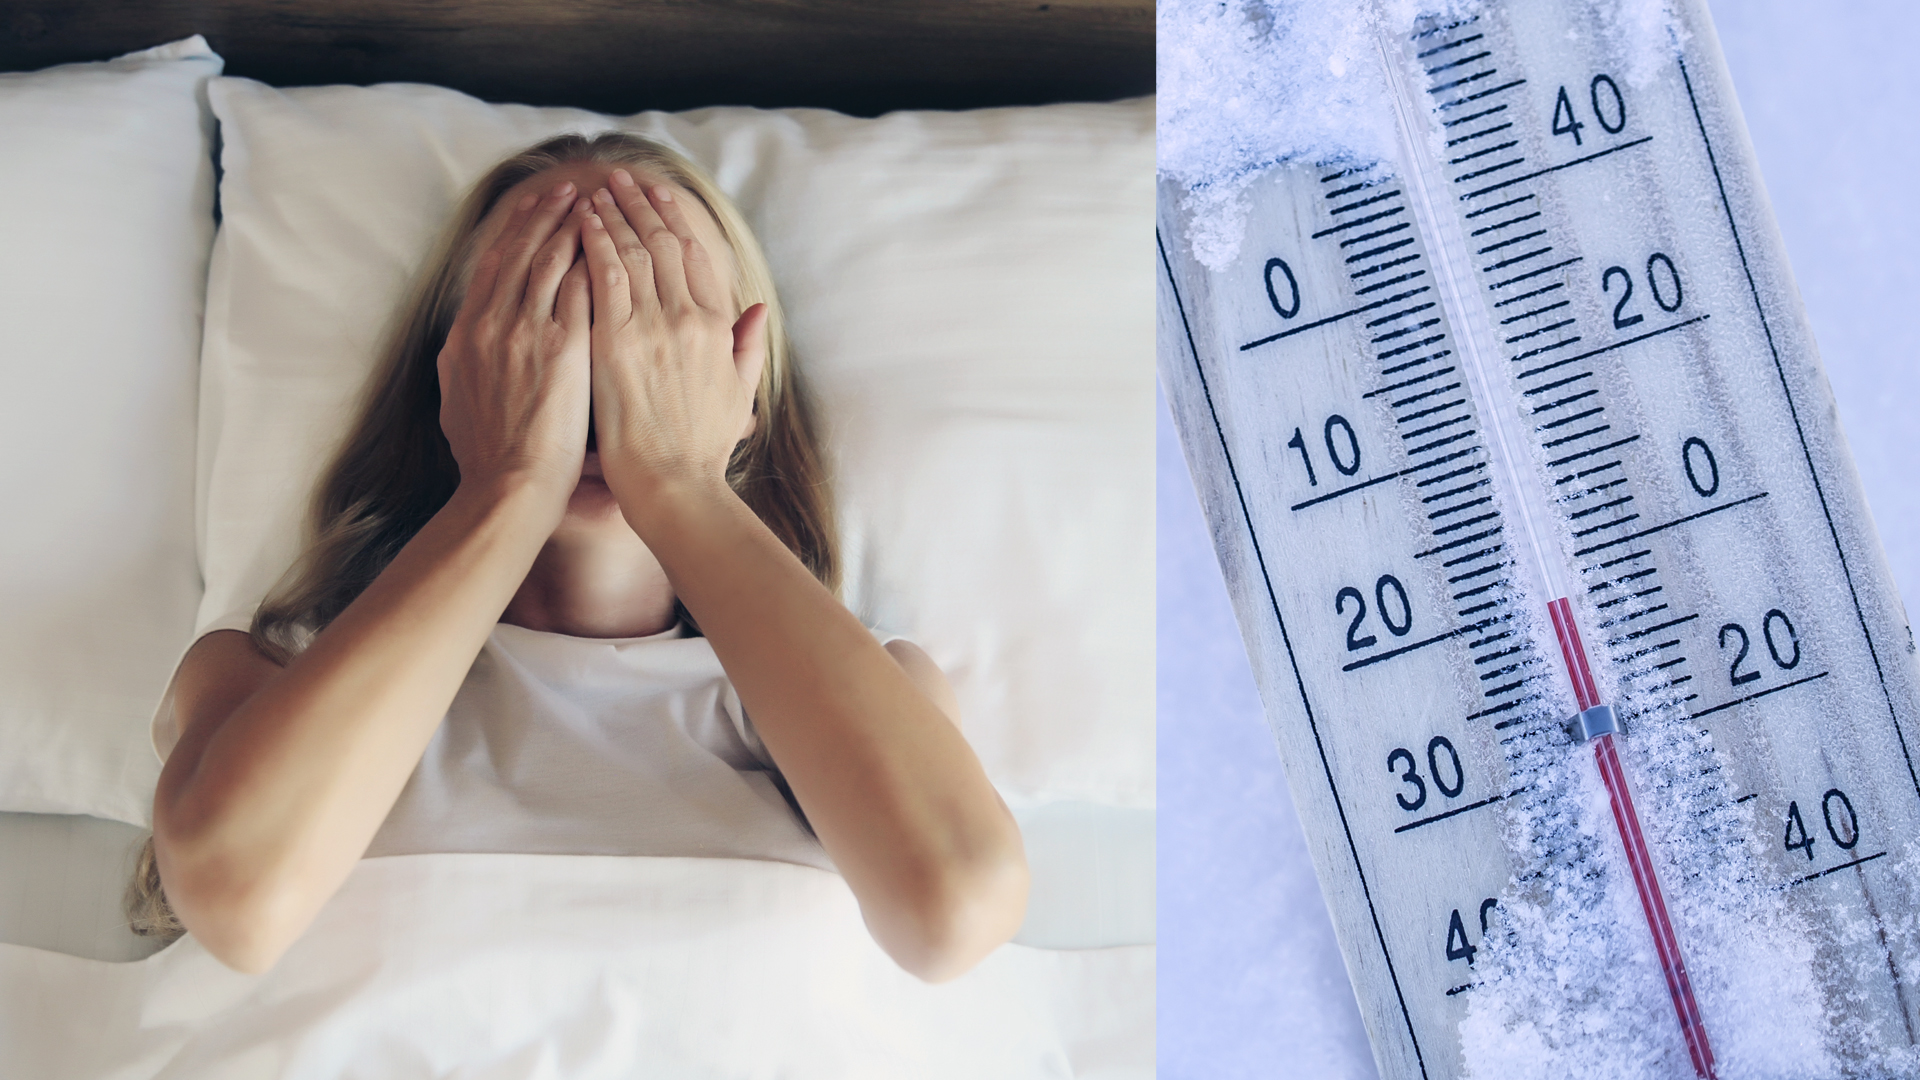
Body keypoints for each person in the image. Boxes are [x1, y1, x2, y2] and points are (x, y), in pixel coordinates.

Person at [125, 132, 1029, 983]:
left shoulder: (869, 689)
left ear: (746, 388)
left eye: (658, 321)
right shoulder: (263, 674)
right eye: (540, 312)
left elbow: (954, 908)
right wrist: (511, 479)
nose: (602, 367)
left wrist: (677, 479)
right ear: (451, 379)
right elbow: (237, 895)